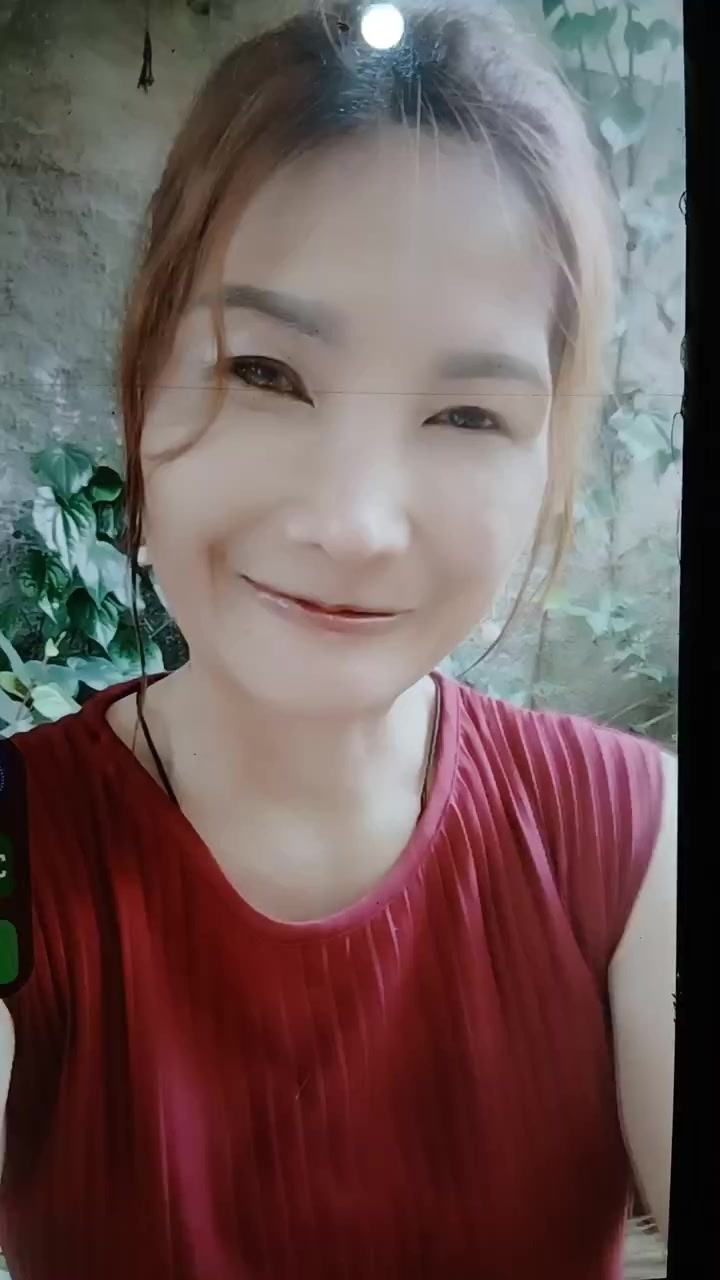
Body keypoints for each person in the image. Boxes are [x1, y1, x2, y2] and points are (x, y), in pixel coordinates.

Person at [0, 3, 677, 1277]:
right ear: (142, 384)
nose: (354, 524)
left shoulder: (640, 847)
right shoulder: (20, 849)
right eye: (266, 371)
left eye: (467, 414)